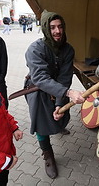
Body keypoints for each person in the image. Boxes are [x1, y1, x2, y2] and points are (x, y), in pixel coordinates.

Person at [24, 10, 85, 179]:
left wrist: (59, 103)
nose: (57, 31)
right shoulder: (35, 49)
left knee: (60, 114)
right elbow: (41, 78)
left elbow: (65, 77)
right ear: (45, 29)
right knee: (41, 122)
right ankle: (48, 155)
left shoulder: (68, 49)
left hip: (60, 88)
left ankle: (57, 125)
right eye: (52, 27)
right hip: (37, 88)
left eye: (60, 27)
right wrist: (68, 93)